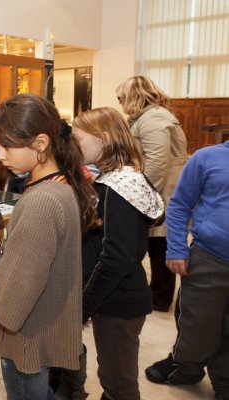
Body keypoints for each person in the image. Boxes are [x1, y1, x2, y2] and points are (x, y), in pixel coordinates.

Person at [0, 94, 98, 400]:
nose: (0, 155)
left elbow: (23, 278)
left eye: (6, 146)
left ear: (41, 143)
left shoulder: (41, 201)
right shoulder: (60, 185)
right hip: (42, 321)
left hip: (28, 335)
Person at [72, 107, 165, 400]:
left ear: (105, 139)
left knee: (118, 384)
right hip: (114, 299)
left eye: (79, 140)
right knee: (112, 376)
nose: (74, 147)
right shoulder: (121, 177)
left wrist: (85, 305)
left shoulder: (119, 186)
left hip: (118, 301)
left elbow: (117, 258)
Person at [147, 140, 229, 399]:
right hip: (210, 257)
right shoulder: (207, 158)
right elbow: (180, 204)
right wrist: (176, 249)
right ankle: (185, 367)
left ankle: (225, 382)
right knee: (198, 323)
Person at [116, 76, 188, 312]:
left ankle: (160, 297)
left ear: (133, 96)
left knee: (160, 245)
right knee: (156, 244)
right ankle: (157, 291)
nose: (120, 102)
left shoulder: (154, 118)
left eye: (121, 97)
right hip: (158, 189)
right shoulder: (149, 117)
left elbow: (157, 162)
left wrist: (139, 196)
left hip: (161, 191)